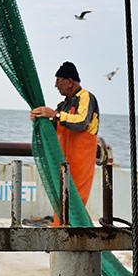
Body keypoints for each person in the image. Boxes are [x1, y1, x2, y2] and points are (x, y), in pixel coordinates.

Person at [30, 61, 100, 207]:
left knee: (77, 196)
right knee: (62, 195)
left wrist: (55, 115)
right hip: (64, 158)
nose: (56, 85)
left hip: (81, 158)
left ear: (69, 82)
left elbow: (81, 122)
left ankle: (75, 227)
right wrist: (39, 119)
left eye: (58, 81)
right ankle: (60, 225)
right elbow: (53, 127)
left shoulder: (86, 97)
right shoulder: (64, 105)